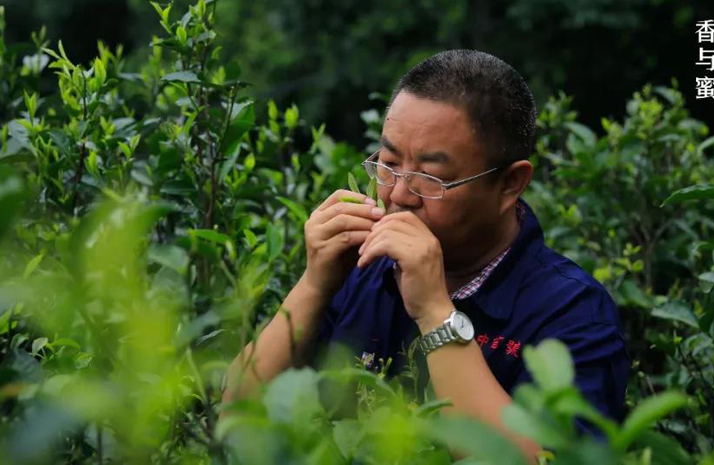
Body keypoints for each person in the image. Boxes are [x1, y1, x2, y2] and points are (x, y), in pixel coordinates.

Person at [221, 49, 630, 462]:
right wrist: (314, 284)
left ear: (510, 184)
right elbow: (235, 417)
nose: (399, 194)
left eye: (430, 177)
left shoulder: (574, 312)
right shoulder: (363, 269)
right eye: (388, 163)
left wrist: (436, 312)